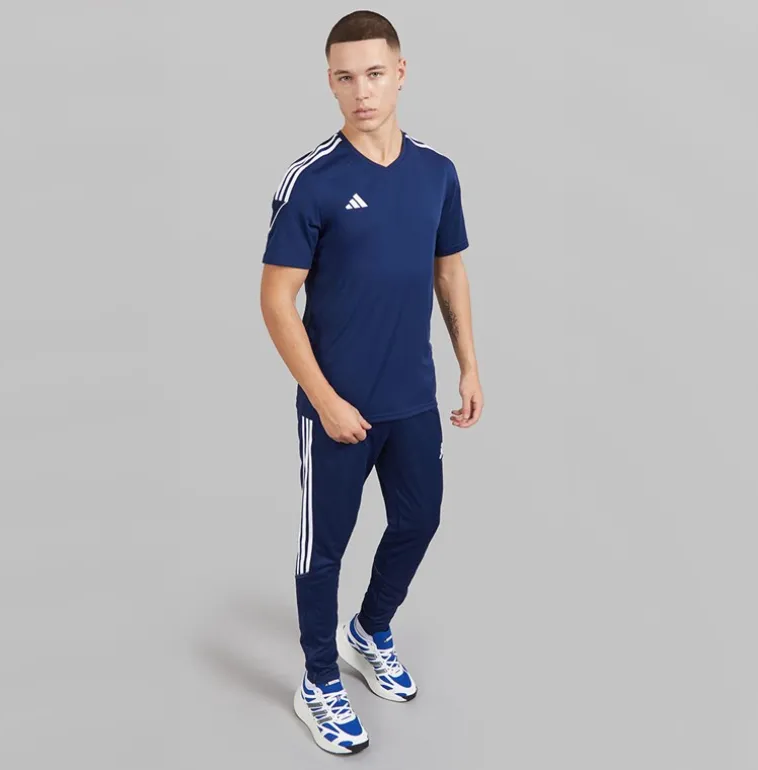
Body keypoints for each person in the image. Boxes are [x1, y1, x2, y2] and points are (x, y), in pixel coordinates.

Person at [259, 10, 483, 755]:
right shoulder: (312, 181)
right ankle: (318, 679)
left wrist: (469, 365)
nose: (362, 91)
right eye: (346, 77)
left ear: (401, 73)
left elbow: (449, 270)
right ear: (330, 83)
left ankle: (369, 630)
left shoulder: (436, 172)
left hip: (412, 397)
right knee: (322, 549)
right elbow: (275, 300)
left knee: (421, 520)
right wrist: (325, 401)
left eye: (375, 74)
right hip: (337, 405)